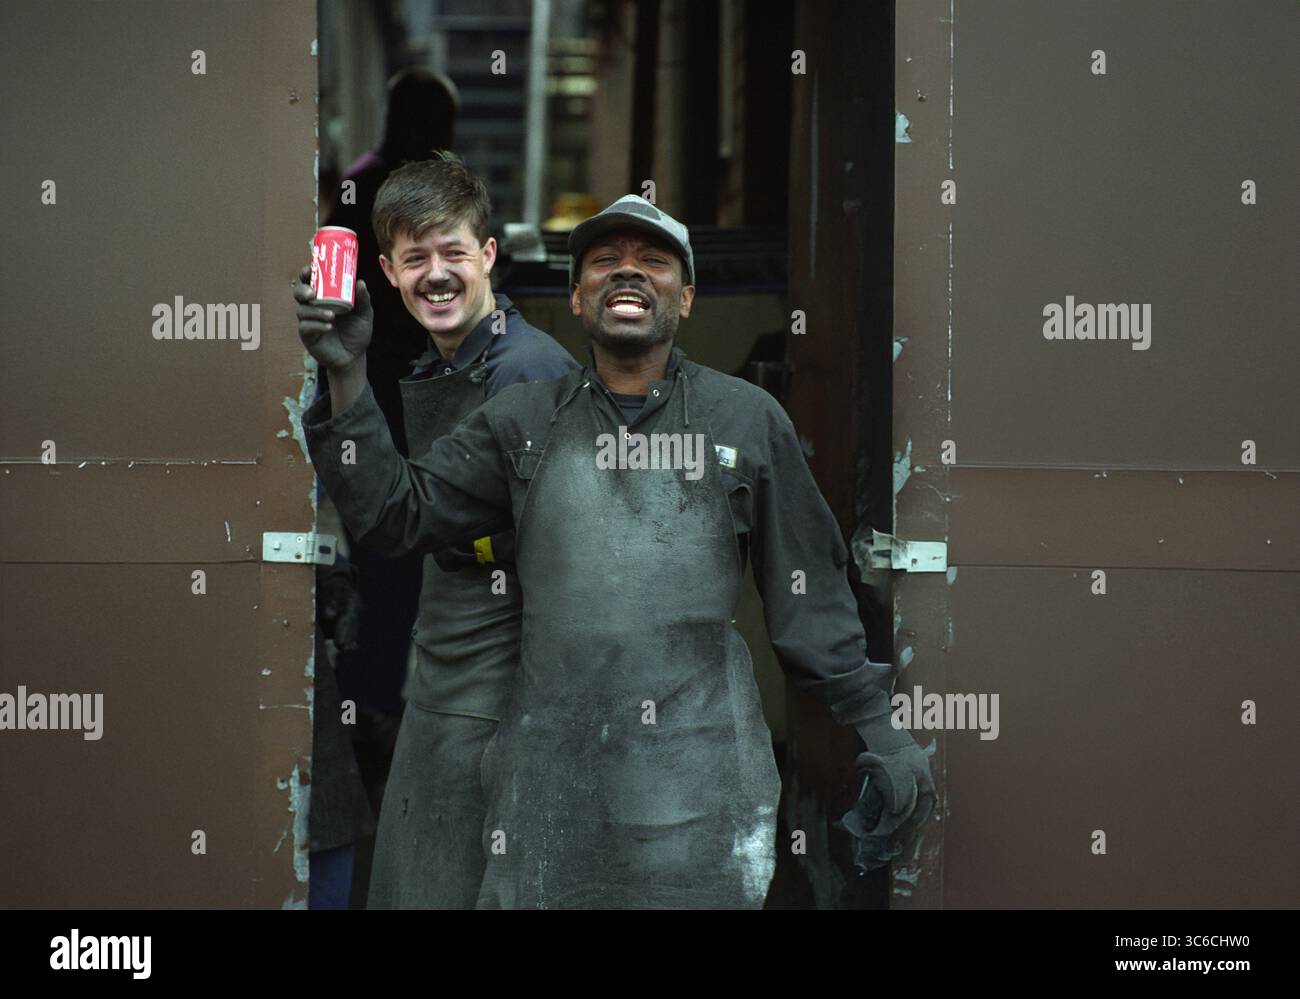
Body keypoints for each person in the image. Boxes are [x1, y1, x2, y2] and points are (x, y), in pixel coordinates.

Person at [296, 195, 934, 909]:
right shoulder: (523, 423)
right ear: (576, 297)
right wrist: (346, 371)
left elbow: (809, 601)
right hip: (546, 796)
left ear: (686, 298)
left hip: (700, 796)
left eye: (653, 262)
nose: (627, 273)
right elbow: (394, 515)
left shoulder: (747, 421)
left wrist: (884, 734)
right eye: (604, 262)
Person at [299, 153, 577, 908]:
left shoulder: (524, 373)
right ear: (387, 271)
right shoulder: (446, 356)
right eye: (415, 257)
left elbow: (399, 515)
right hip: (449, 661)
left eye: (454, 251)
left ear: (488, 255)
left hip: (505, 676)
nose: (437, 274)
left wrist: (345, 371)